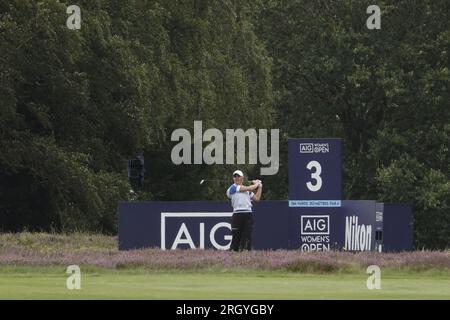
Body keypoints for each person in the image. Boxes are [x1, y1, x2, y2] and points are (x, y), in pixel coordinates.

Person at [226, 170, 262, 251]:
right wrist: (256, 183)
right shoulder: (233, 188)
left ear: (242, 178)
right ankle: (234, 253)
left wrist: (260, 187)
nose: (236, 178)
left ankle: (246, 253)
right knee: (236, 236)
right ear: (233, 178)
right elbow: (249, 187)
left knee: (247, 235)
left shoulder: (247, 191)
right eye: (235, 176)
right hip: (237, 215)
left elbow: (257, 198)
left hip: (248, 215)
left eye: (238, 176)